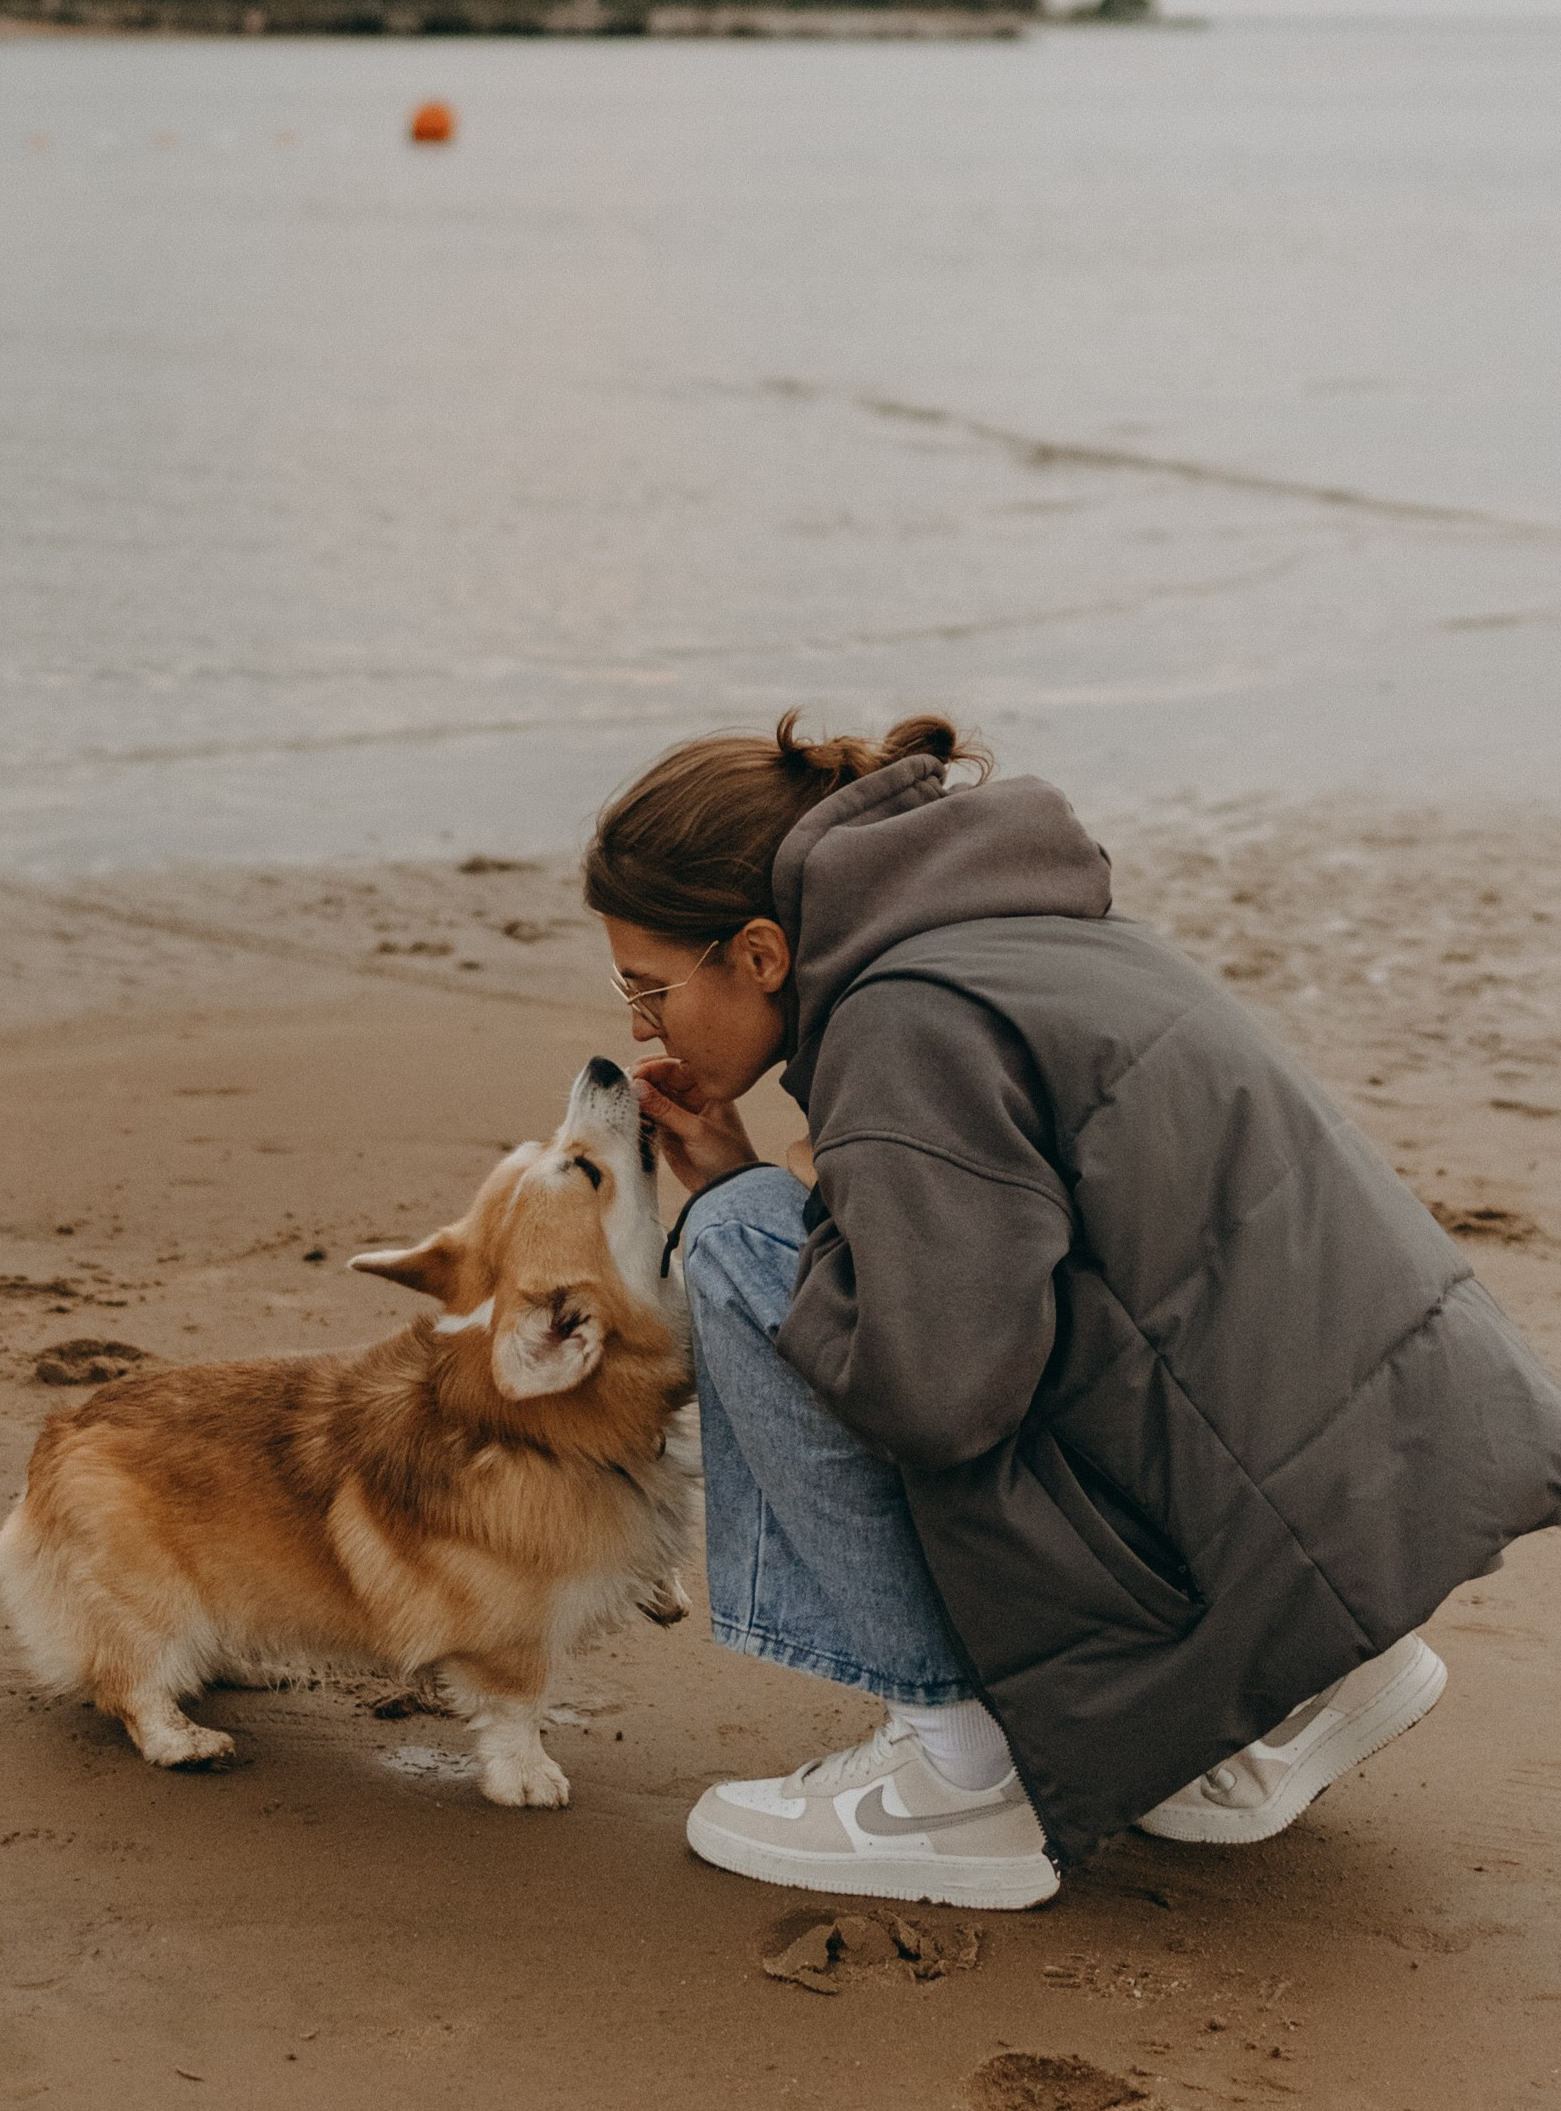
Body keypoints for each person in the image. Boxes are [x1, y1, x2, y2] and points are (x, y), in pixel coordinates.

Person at [583, 713, 1561, 1908]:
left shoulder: (902, 1023)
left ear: (759, 954)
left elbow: (934, 1396)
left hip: (1281, 1512)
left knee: (741, 1247)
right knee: (800, 1236)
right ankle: (1312, 1682)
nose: (641, 1027)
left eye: (647, 986)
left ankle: (957, 1779)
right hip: (1362, 1484)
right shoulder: (1008, 925)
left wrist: (764, 1197)